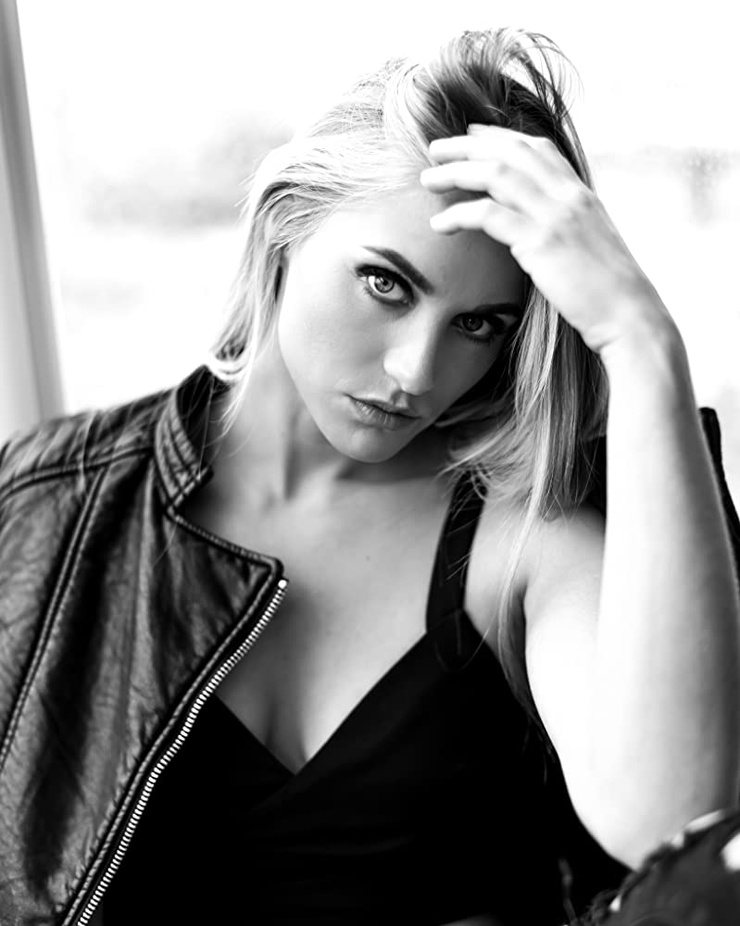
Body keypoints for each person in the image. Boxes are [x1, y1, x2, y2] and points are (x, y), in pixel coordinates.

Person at [1, 25, 739, 926]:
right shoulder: (50, 503)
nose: (416, 372)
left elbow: (673, 820)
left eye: (479, 325)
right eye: (387, 284)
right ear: (284, 228)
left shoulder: (518, 539)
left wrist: (641, 341)